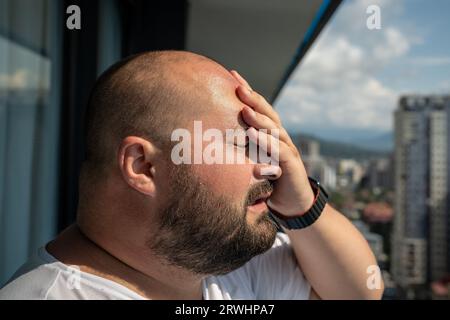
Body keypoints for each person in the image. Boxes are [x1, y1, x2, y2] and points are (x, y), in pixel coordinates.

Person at [0, 51, 383, 300]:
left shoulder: (212, 261)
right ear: (143, 166)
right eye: (242, 144)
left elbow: (358, 293)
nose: (272, 165)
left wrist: (303, 206)